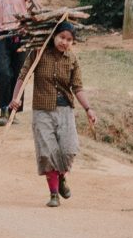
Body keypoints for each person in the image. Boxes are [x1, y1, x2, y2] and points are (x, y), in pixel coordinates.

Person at [28, 24, 93, 207]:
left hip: (65, 111)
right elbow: (23, 76)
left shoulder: (72, 59)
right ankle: (54, 194)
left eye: (69, 40)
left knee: (69, 149)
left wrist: (88, 109)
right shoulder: (38, 53)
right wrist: (15, 100)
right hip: (42, 110)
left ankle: (62, 176)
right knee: (47, 153)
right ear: (54, 36)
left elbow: (77, 87)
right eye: (61, 37)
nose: (64, 42)